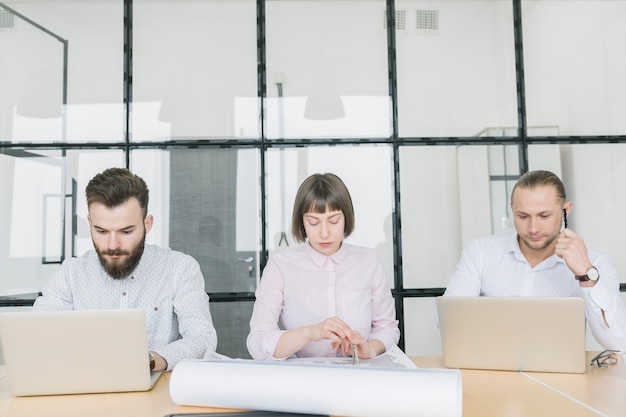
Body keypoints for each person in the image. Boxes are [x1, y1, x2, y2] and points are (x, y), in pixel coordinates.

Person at [33, 167, 218, 371]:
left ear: (147, 224)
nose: (112, 245)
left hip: (157, 389)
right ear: (90, 223)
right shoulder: (71, 273)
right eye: (101, 231)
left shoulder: (179, 269)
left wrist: (149, 361)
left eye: (126, 231)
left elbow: (202, 338)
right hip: (84, 388)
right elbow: (39, 334)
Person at [444, 170, 626, 352]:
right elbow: (448, 319)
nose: (533, 228)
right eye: (523, 216)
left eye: (544, 216)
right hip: (492, 369)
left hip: (560, 377)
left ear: (566, 210)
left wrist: (586, 274)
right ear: (512, 209)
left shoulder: (596, 263)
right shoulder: (480, 252)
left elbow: (618, 342)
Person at [247, 173, 400, 360]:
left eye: (334, 221)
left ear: (346, 218)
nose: (325, 233)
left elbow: (388, 327)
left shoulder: (368, 261)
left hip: (358, 375)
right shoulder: (281, 266)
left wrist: (370, 349)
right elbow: (257, 342)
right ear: (301, 222)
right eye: (313, 222)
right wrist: (309, 333)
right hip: (301, 380)